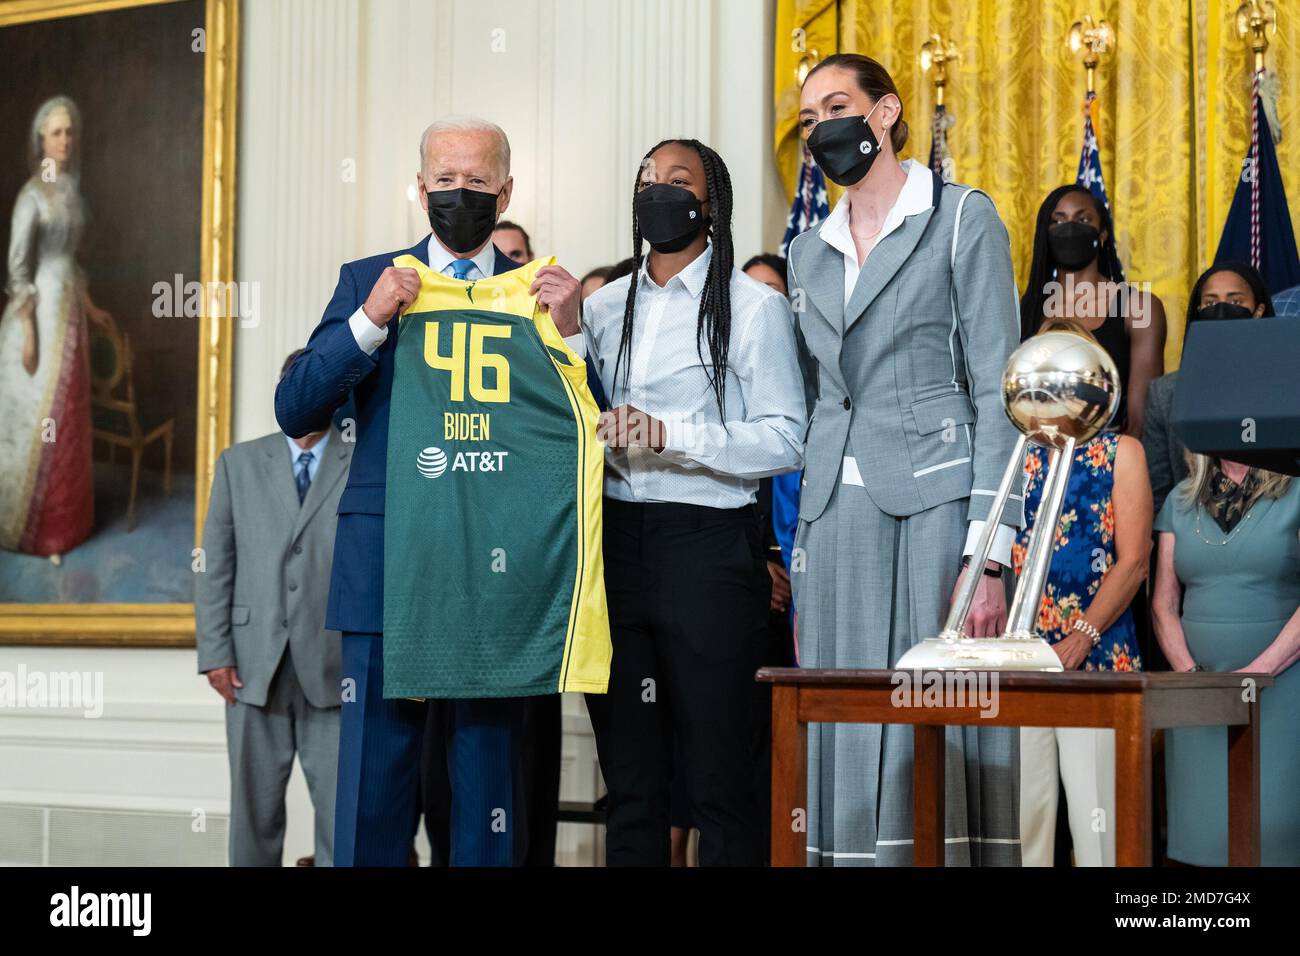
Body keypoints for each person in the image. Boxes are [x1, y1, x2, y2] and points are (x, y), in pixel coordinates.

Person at [275, 115, 584, 867]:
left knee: (489, 794)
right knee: (372, 794)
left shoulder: (540, 291)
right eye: (443, 180)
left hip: (498, 569)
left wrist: (574, 334)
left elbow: (588, 433)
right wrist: (370, 321)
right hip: (389, 561)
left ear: (505, 189)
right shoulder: (368, 279)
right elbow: (295, 406)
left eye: (476, 181)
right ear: (418, 188)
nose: (458, 193)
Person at [789, 52, 1022, 866]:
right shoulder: (806, 252)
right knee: (841, 721)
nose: (823, 127)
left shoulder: (961, 217)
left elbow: (1001, 392)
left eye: (838, 105)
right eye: (810, 116)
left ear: (886, 112)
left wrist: (988, 556)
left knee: (931, 720)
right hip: (831, 516)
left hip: (935, 506)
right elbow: (824, 397)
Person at [577, 138, 805, 866]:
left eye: (678, 180)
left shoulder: (753, 307)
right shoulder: (604, 307)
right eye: (648, 178)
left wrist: (671, 433)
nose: (659, 190)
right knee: (633, 783)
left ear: (711, 204)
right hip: (616, 543)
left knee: (718, 778)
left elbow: (785, 439)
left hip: (707, 543)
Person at [196, 350, 351, 866]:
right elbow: (215, 565)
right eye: (296, 388)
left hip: (336, 666)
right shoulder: (237, 464)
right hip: (249, 665)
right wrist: (216, 651)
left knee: (341, 818)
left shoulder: (364, 460)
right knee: (253, 819)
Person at [1012, 321, 1151, 867]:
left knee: (1100, 828)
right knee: (1024, 823)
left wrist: (1080, 637)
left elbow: (1134, 561)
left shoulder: (1123, 452)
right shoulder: (1013, 452)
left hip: (1095, 657)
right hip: (1019, 661)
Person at [1152, 455, 1300, 865]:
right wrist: (1192, 676)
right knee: (1203, 833)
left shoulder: (1296, 490)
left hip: (1283, 693)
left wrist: (1257, 673)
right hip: (1200, 697)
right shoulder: (1180, 501)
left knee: (1276, 835)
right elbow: (1164, 603)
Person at [0, 96, 112, 563]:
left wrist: (91, 306)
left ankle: (65, 528)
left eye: (69, 132)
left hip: (69, 315)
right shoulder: (31, 196)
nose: (65, 140)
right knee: (38, 419)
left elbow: (72, 262)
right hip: (41, 318)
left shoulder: (70, 190)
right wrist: (28, 332)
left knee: (67, 417)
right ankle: (32, 532)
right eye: (56, 133)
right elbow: (18, 269)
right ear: (40, 139)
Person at [1018, 185, 1167, 436]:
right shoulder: (1026, 308)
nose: (1070, 228)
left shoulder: (1139, 306)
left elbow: (1141, 420)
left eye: (1083, 219)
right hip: (1035, 454)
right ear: (1046, 235)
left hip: (1110, 456)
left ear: (1103, 234)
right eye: (1058, 221)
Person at [1142, 262, 1274, 514]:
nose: (1222, 310)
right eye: (1211, 304)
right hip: (1191, 532)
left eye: (1235, 302)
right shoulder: (1166, 394)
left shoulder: (1284, 386)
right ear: (1198, 310)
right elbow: (1157, 493)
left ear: (1258, 311)